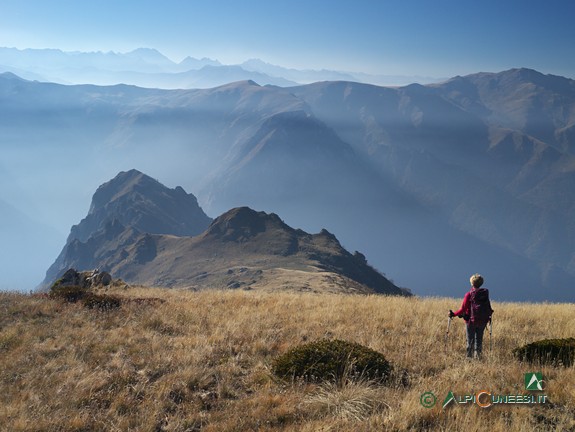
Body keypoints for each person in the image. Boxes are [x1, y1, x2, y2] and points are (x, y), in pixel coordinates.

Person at [449, 274, 493, 358]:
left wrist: (453, 314)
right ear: (481, 283)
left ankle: (469, 360)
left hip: (471, 321)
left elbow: (462, 309)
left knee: (470, 342)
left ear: (472, 283)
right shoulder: (484, 294)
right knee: (479, 341)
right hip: (483, 321)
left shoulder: (469, 294)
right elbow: (488, 307)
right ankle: (478, 359)